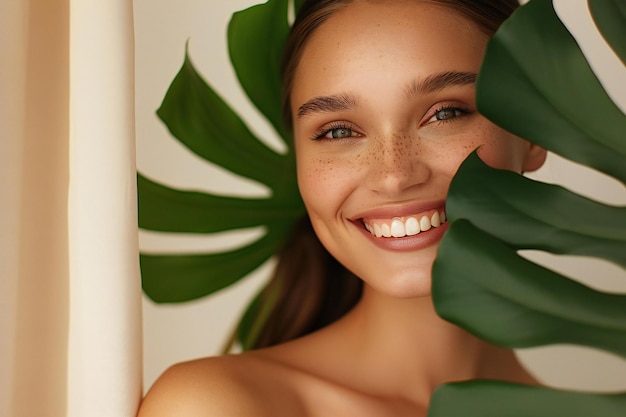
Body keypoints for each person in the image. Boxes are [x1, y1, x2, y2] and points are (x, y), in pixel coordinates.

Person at [137, 0, 547, 415]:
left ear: (533, 127)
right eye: (338, 131)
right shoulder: (214, 406)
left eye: (444, 113)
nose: (393, 174)